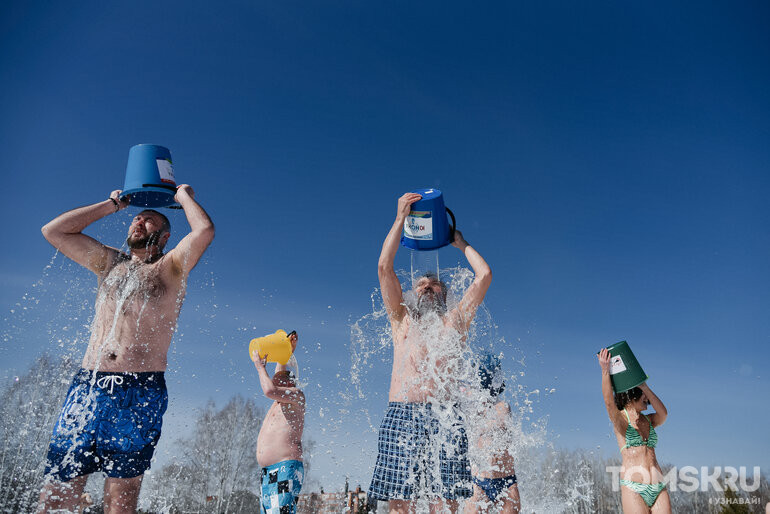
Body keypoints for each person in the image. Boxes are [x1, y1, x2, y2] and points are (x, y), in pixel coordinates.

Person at [38, 185, 214, 513]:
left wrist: (182, 196)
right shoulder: (109, 264)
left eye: (148, 221)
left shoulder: (170, 270)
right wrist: (111, 205)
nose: (138, 223)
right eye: (136, 219)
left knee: (121, 499)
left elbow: (204, 230)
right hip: (87, 386)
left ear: (164, 237)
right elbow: (54, 230)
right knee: (58, 489)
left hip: (139, 390)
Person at [369, 192, 492, 513]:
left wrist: (460, 243)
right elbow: (384, 267)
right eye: (421, 283)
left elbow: (484, 276)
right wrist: (399, 219)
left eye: (433, 284)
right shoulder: (401, 319)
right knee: (399, 504)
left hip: (446, 416)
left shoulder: (456, 322)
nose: (425, 286)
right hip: (402, 413)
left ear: (444, 293)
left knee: (447, 504)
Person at [598, 348, 670, 513]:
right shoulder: (621, 420)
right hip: (634, 487)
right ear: (631, 395)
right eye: (643, 395)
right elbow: (609, 402)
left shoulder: (649, 420)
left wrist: (644, 386)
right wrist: (605, 371)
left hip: (658, 486)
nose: (647, 399)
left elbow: (663, 414)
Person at [253, 331, 305, 514]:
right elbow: (279, 374)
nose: (277, 380)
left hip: (285, 467)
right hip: (269, 471)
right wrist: (287, 350)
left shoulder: (297, 396)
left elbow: (269, 390)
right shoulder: (279, 403)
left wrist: (260, 368)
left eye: (281, 379)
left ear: (290, 382)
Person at [464, 354, 520, 514]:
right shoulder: (472, 411)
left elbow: (497, 423)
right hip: (479, 481)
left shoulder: (502, 407)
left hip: (506, 481)